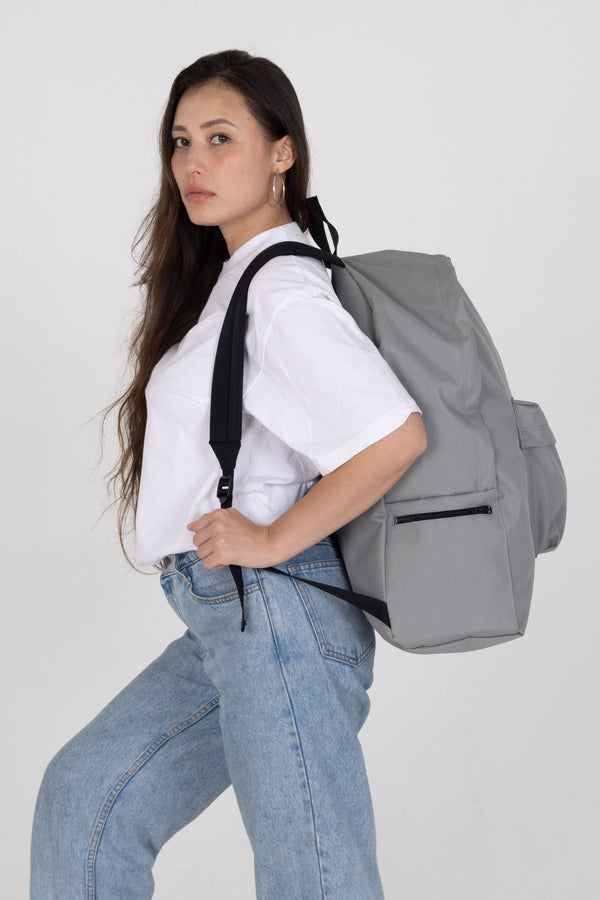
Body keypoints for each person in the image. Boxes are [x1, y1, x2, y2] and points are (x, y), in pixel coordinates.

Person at [30, 49, 427, 899]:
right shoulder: (238, 278)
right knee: (85, 800)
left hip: (277, 611)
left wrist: (273, 538)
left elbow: (396, 436)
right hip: (232, 617)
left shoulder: (281, 293)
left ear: (282, 153)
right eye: (180, 141)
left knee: (312, 878)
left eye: (220, 138)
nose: (193, 163)